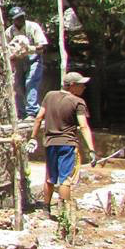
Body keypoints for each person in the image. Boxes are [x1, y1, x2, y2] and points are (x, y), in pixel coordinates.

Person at [30, 72, 97, 222]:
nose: (84, 87)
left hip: (50, 143)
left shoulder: (49, 96)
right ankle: (65, 212)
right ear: (72, 86)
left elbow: (39, 117)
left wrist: (33, 137)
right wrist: (92, 149)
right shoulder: (78, 102)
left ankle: (46, 209)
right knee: (66, 179)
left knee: (49, 177)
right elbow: (84, 126)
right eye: (80, 84)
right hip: (67, 144)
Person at [4, 6, 48, 120]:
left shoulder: (33, 27)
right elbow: (6, 49)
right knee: (18, 86)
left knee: (31, 82)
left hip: (33, 59)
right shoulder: (9, 32)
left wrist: (29, 48)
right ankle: (21, 113)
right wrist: (12, 56)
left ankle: (32, 112)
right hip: (18, 61)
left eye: (21, 17)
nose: (20, 19)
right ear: (13, 20)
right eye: (17, 18)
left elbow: (43, 46)